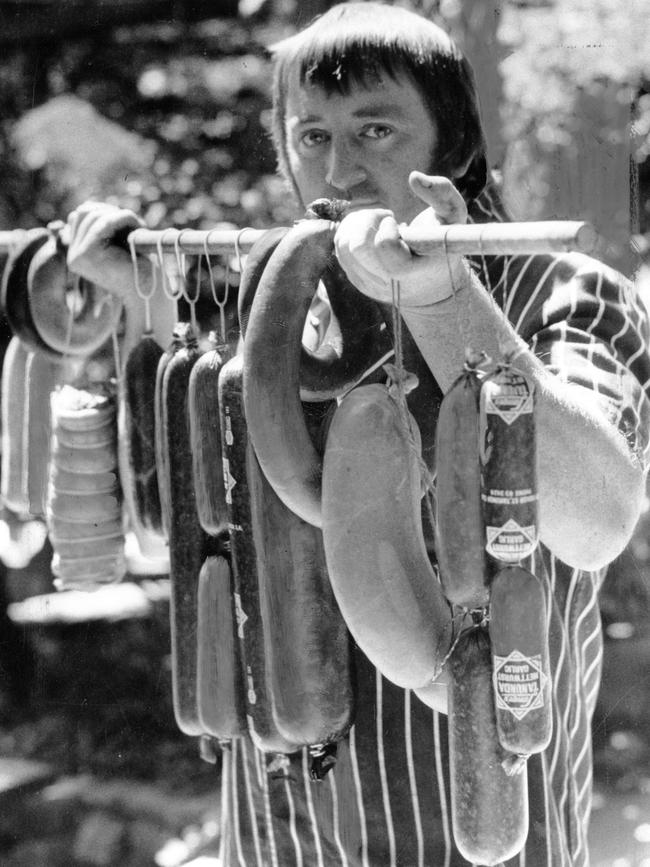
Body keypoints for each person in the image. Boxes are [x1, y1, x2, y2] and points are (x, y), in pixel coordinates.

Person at [64, 3, 650, 864]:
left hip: (473, 828)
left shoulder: (564, 291)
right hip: (277, 828)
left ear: (451, 144)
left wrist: (446, 300)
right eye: (312, 138)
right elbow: (173, 529)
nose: (341, 167)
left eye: (376, 128)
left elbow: (598, 520)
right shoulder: (259, 306)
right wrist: (140, 302)